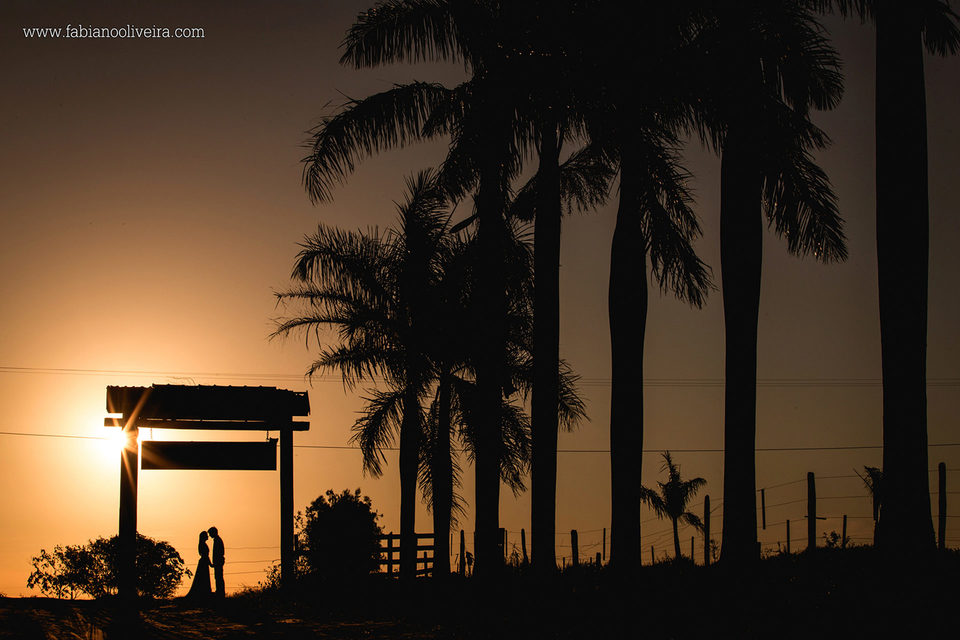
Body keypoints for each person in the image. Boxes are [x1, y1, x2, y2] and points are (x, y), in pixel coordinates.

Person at [185, 531, 211, 600]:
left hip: (203, 561)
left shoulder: (201, 544)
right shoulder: (203, 544)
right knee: (203, 577)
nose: (207, 536)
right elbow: (205, 555)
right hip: (204, 562)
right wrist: (210, 563)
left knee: (202, 577)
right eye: (206, 535)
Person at [208, 526, 225, 598]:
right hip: (218, 561)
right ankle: (219, 591)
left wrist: (216, 562)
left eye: (210, 533)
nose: (209, 535)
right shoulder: (217, 540)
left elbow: (219, 553)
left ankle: (220, 592)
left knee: (219, 577)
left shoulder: (218, 540)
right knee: (218, 577)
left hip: (218, 562)